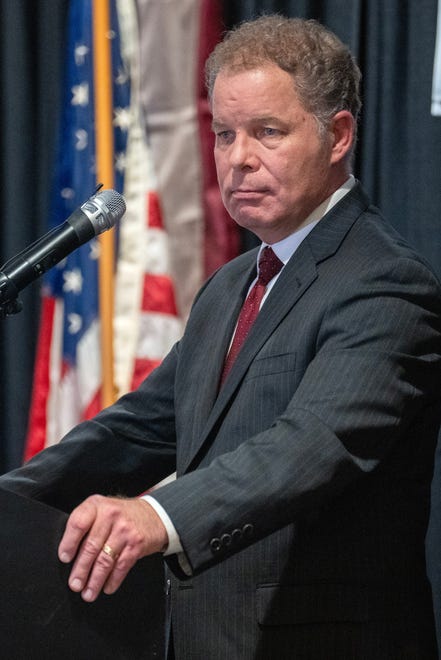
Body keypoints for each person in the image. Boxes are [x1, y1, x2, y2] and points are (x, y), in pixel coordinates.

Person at [1, 14, 441, 659]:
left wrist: (159, 514)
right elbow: (138, 430)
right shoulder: (233, 285)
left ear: (338, 134)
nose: (239, 159)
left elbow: (313, 445)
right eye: (225, 134)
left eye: (268, 133)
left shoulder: (385, 284)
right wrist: (12, 498)